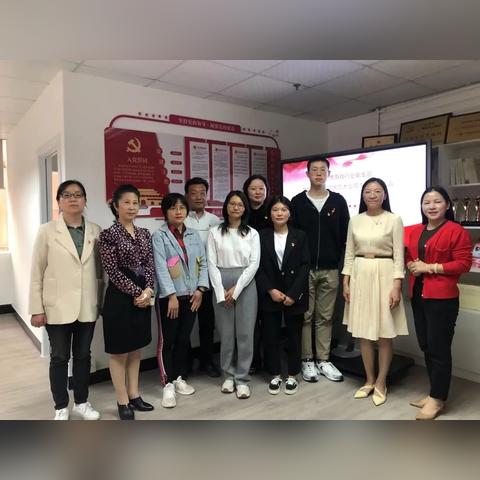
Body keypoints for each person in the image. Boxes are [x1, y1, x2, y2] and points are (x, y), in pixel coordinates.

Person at [29, 180, 102, 420]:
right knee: (59, 357)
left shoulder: (95, 230)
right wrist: (36, 309)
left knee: (83, 356)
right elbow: (37, 272)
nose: (73, 199)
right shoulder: (47, 231)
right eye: (67, 195)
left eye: (78, 195)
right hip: (57, 307)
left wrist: (102, 302)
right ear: (59, 201)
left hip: (87, 305)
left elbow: (101, 272)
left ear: (85, 200)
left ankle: (81, 402)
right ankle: (61, 406)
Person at [406, 186, 472, 420]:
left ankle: (437, 398)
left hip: (442, 299)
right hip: (418, 295)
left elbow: (464, 263)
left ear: (447, 205)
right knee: (425, 345)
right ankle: (434, 392)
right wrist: (411, 264)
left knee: (439, 348)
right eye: (427, 202)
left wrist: (430, 267)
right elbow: (408, 255)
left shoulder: (456, 231)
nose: (431, 206)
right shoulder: (416, 230)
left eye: (437, 201)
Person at [342, 177, 408, 406]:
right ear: (362, 196)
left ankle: (381, 381)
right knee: (363, 333)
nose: (372, 195)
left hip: (385, 274)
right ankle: (369, 379)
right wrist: (346, 281)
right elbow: (349, 253)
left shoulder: (394, 219)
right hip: (360, 274)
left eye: (377, 191)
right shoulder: (355, 220)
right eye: (368, 191)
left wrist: (397, 286)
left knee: (384, 333)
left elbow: (399, 256)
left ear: (384, 195)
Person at [291, 157, 349, 383]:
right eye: (314, 170)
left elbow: (345, 236)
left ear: (328, 174)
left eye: (322, 170)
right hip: (304, 269)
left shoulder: (338, 201)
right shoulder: (297, 202)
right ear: (307, 174)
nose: (318, 173)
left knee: (325, 317)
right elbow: (292, 236)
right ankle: (307, 360)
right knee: (306, 316)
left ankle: (323, 359)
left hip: (330, 269)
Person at [100, 184, 155, 420]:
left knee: (135, 348)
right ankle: (122, 400)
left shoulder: (144, 233)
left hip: (143, 296)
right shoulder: (108, 234)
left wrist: (148, 290)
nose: (132, 207)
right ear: (116, 206)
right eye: (126, 202)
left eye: (135, 203)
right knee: (119, 352)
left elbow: (149, 264)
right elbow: (112, 271)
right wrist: (137, 293)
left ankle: (134, 395)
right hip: (120, 299)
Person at [152, 193, 209, 409]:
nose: (178, 212)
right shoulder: (159, 236)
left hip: (192, 296)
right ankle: (167, 383)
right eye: (173, 208)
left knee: (184, 339)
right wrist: (171, 296)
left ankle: (178, 378)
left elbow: (203, 263)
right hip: (170, 299)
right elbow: (160, 267)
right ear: (165, 212)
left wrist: (201, 289)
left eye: (182, 208)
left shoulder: (193, 234)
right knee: (167, 341)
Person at [207, 190, 260, 399]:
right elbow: (211, 263)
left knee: (245, 334)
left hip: (245, 283)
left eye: (240, 204)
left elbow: (254, 264)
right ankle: (228, 376)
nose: (236, 207)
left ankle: (242, 379)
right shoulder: (214, 232)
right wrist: (221, 292)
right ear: (226, 207)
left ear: (245, 208)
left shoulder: (252, 233)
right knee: (226, 334)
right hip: (220, 280)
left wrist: (236, 290)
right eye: (232, 204)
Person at [256, 196, 310, 395]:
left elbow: (305, 266)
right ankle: (275, 374)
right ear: (269, 213)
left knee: (294, 336)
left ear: (289, 213)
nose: (279, 213)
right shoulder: (261, 235)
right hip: (270, 293)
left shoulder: (300, 236)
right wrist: (270, 290)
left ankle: (293, 374)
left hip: (293, 293)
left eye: (284, 209)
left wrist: (293, 294)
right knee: (270, 335)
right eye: (275, 210)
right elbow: (257, 266)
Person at [184, 177, 221, 377]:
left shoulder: (214, 221)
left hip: (207, 281)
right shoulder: (181, 218)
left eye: (202, 193)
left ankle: (207, 361)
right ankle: (186, 362)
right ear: (187, 196)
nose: (198, 197)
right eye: (194, 193)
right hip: (186, 281)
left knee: (207, 324)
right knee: (185, 325)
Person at [243, 174, 270, 374]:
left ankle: (269, 360)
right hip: (246, 271)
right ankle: (252, 360)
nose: (258, 192)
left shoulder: (273, 210)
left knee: (267, 318)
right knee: (249, 320)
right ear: (247, 191)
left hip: (268, 271)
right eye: (253, 188)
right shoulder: (241, 212)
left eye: (261, 188)